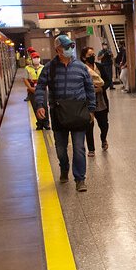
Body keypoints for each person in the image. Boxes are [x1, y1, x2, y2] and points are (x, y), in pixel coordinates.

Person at [34, 34, 96, 192]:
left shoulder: (81, 67)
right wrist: (40, 105)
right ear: (58, 50)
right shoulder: (50, 68)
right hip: (58, 113)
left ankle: (80, 179)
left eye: (72, 46)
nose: (70, 49)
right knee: (61, 148)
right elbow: (40, 87)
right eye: (67, 47)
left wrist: (91, 109)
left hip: (78, 112)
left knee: (79, 147)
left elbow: (90, 89)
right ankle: (64, 167)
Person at [80, 47, 110, 156]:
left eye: (93, 54)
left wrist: (101, 88)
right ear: (84, 57)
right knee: (89, 126)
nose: (92, 57)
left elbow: (108, 80)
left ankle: (103, 139)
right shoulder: (82, 69)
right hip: (87, 103)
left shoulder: (100, 67)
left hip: (101, 101)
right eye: (89, 55)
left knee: (104, 125)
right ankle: (91, 149)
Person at [25, 52, 48, 130]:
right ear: (31, 59)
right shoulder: (27, 68)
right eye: (34, 58)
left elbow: (47, 78)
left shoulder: (43, 67)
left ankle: (46, 123)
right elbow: (25, 79)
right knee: (35, 106)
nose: (36, 59)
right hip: (32, 90)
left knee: (44, 106)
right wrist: (30, 88)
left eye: (37, 57)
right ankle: (39, 124)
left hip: (42, 90)